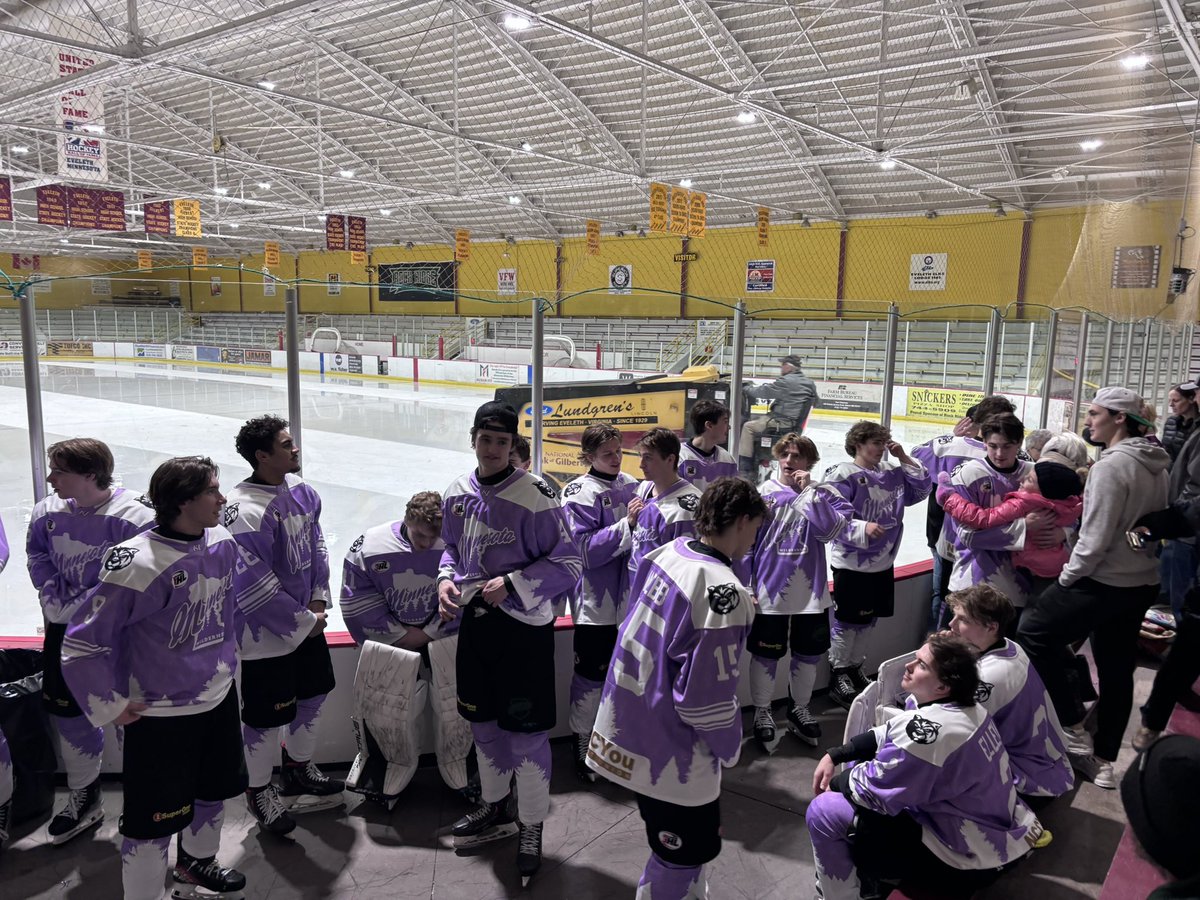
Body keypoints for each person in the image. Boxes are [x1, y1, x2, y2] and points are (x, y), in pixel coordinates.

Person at [60, 457, 248, 900]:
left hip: (218, 699)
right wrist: (109, 706)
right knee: (151, 824)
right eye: (212, 491)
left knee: (212, 794)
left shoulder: (221, 540)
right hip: (159, 715)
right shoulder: (135, 563)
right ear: (183, 501)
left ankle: (196, 866)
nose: (223, 499)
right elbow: (82, 645)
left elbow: (227, 611)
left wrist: (226, 666)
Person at [588, 477, 766, 900]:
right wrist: (730, 746)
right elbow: (705, 700)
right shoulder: (725, 592)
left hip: (625, 728)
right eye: (756, 529)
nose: (754, 540)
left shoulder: (669, 552)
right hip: (672, 756)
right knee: (681, 857)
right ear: (742, 521)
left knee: (671, 849)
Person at [437, 400, 582, 884]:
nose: (494, 449)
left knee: (526, 734)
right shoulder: (456, 491)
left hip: (524, 630)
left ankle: (532, 825)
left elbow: (570, 563)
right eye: (486, 439)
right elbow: (452, 552)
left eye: (503, 441)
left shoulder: (538, 495)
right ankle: (495, 805)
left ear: (513, 445)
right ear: (473, 438)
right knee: (483, 724)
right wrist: (443, 580)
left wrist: (516, 583)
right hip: (477, 624)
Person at [806, 633, 1040, 900]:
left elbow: (868, 791)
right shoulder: (970, 709)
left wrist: (838, 781)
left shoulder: (931, 733)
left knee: (824, 810)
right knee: (865, 774)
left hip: (961, 859)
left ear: (942, 687)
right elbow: (889, 732)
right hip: (991, 834)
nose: (909, 666)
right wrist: (836, 754)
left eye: (921, 665)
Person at [1017, 387, 1169, 789]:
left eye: (1095, 413)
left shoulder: (1111, 466)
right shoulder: (1158, 463)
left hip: (1102, 581)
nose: (1088, 421)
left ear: (1120, 418)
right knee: (1117, 667)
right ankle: (1104, 759)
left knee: (1032, 631)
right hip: (1141, 582)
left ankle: (1071, 730)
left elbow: (1095, 537)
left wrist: (1068, 578)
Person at [25, 438, 155, 844]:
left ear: (90, 475)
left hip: (121, 637)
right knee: (69, 715)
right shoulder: (47, 510)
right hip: (63, 632)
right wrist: (53, 599)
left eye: (59, 471)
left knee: (130, 717)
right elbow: (37, 555)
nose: (50, 478)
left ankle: (143, 798)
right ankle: (86, 795)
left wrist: (83, 607)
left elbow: (145, 579)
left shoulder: (135, 516)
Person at [224, 415, 339, 836]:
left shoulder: (304, 491)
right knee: (264, 718)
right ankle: (258, 790)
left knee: (314, 693)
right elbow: (249, 580)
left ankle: (298, 766)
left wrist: (317, 600)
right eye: (286, 444)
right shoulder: (242, 511)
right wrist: (302, 621)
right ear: (262, 455)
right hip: (264, 638)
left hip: (308, 622)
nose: (295, 449)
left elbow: (318, 547)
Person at [339, 491, 475, 805]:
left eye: (433, 538)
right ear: (406, 518)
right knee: (387, 708)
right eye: (419, 535)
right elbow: (354, 598)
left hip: (442, 636)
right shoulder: (370, 547)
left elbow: (469, 590)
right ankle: (392, 764)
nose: (426, 544)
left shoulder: (456, 545)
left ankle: (459, 761)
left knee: (456, 703)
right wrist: (399, 635)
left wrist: (427, 632)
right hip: (394, 641)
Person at [748, 433, 861, 747]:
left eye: (796, 456)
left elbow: (833, 531)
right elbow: (747, 544)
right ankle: (762, 711)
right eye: (784, 455)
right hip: (769, 593)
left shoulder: (822, 495)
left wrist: (811, 493)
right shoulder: (762, 494)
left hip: (811, 595)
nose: (788, 461)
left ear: (809, 463)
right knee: (765, 655)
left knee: (808, 656)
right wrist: (746, 582)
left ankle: (799, 708)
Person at [822, 420, 930, 709]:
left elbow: (921, 491)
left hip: (884, 561)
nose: (881, 449)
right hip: (852, 562)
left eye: (884, 442)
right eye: (875, 443)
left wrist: (904, 457)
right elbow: (829, 514)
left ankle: (856, 665)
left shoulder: (892, 473)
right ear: (857, 443)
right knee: (847, 621)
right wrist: (859, 527)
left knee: (869, 619)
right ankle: (839, 672)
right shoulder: (842, 473)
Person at [560, 424, 642, 781]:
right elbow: (582, 552)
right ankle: (583, 738)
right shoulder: (578, 493)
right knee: (590, 677)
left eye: (618, 451)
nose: (616, 458)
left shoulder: (631, 484)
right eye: (607, 453)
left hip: (631, 603)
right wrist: (627, 525)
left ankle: (614, 738)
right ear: (588, 456)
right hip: (595, 606)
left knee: (624, 678)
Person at [947, 585, 1075, 797]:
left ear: (991, 627)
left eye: (963, 620)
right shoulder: (1010, 646)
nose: (951, 625)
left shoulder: (987, 678)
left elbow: (950, 729)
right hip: (1049, 762)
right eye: (954, 617)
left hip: (1028, 781)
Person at [911, 396, 1018, 630]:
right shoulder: (1017, 459)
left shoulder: (950, 445)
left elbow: (917, 457)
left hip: (949, 538)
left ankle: (941, 640)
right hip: (990, 544)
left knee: (946, 595)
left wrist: (953, 438)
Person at [940, 413, 1052, 613]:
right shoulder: (968, 474)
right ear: (984, 443)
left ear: (1019, 444)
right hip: (971, 585)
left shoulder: (1036, 474)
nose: (999, 453)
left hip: (1020, 588)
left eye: (1007, 446)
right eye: (993, 446)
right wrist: (1024, 527)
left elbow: (1062, 516)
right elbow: (968, 535)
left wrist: (1063, 533)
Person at [937, 457, 1084, 596]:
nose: (1023, 479)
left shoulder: (1024, 502)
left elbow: (982, 519)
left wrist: (949, 498)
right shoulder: (1067, 504)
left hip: (1033, 567)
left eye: (1029, 480)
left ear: (1044, 491)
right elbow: (1074, 518)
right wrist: (1064, 531)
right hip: (1058, 565)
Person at [628, 428, 703, 578]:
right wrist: (630, 524)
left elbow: (685, 569)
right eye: (640, 456)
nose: (641, 464)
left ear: (670, 459)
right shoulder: (643, 489)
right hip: (637, 589)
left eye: (648, 458)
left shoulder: (687, 508)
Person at [737, 355, 820, 479]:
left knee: (748, 426)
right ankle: (760, 460)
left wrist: (746, 388)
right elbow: (816, 402)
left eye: (782, 365)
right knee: (757, 418)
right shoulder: (809, 383)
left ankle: (745, 466)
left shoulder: (786, 381)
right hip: (794, 424)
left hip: (780, 422)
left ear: (788, 366)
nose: (781, 368)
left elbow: (763, 392)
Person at [678, 399, 737, 492]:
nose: (729, 427)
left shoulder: (728, 459)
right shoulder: (679, 457)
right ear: (709, 425)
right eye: (725, 422)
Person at [1162, 382, 1199, 463]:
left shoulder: (1197, 425)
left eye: (1176, 400)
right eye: (1170, 401)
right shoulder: (1170, 422)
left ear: (1191, 399)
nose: (1171, 404)